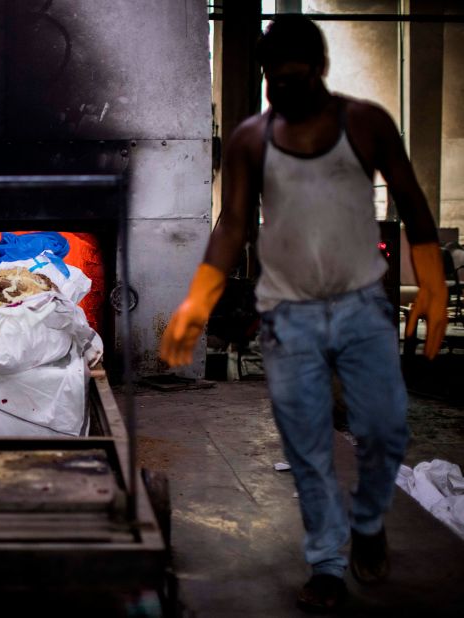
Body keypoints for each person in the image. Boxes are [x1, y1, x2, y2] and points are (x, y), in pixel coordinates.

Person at [159, 15, 447, 613]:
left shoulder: (364, 123)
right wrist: (199, 297)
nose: (278, 91)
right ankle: (326, 564)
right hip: (287, 317)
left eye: (290, 78)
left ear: (319, 70)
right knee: (308, 446)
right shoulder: (251, 140)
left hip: (363, 308)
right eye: (270, 80)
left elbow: (412, 200)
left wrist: (433, 280)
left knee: (386, 427)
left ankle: (369, 521)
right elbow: (233, 222)